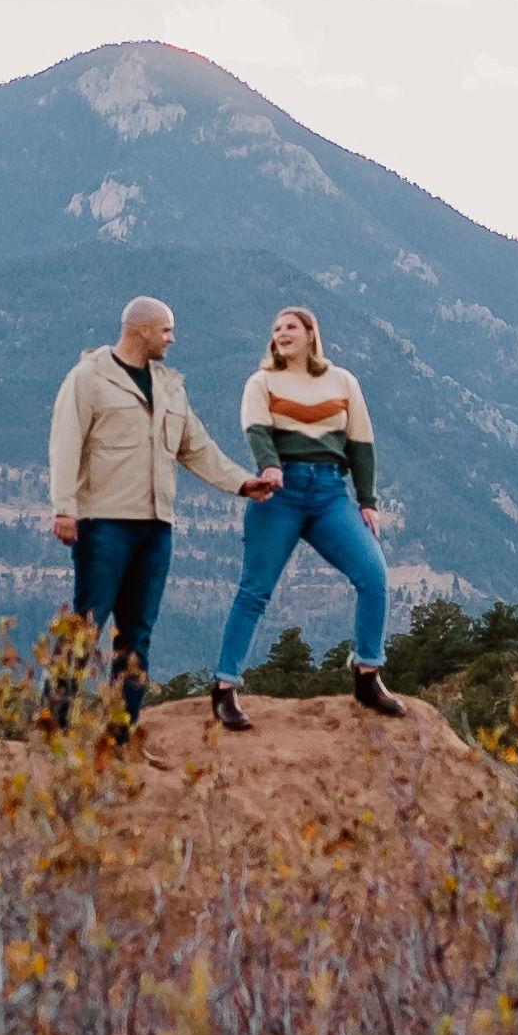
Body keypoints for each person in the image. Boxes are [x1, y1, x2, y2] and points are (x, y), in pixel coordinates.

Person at [47, 295, 273, 728]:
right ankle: (53, 721)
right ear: (142, 330)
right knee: (87, 625)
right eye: (167, 329)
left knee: (138, 633)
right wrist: (64, 509)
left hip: (156, 527)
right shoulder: (88, 378)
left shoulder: (169, 386)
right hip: (104, 523)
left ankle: (122, 731)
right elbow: (65, 444)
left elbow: (196, 448)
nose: (172, 338)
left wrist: (243, 483)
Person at [211, 305, 407, 728]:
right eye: (276, 327)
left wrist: (367, 499)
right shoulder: (262, 382)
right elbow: (257, 431)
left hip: (330, 494)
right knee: (255, 590)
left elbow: (361, 444)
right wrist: (270, 466)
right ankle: (225, 688)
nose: (281, 333)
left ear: (310, 334)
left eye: (290, 327)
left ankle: (367, 674)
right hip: (280, 492)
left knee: (373, 575)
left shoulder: (343, 382)